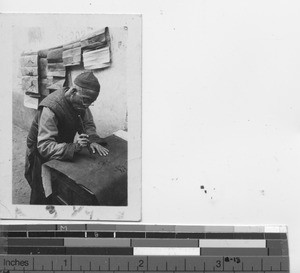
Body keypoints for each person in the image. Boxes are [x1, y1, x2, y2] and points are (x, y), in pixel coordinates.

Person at [25, 72, 109, 204]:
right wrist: (75, 147)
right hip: (39, 150)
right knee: (42, 190)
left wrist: (92, 139)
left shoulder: (81, 102)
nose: (87, 106)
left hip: (62, 146)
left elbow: (87, 123)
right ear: (73, 91)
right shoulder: (50, 109)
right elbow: (45, 147)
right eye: (86, 100)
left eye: (91, 102)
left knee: (62, 188)